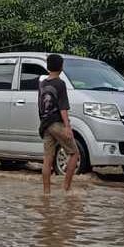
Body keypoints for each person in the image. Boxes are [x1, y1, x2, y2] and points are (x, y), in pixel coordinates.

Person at [39, 54, 79, 194]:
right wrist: (67, 127)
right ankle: (66, 188)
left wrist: (43, 124)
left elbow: (41, 106)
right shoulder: (60, 83)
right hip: (56, 124)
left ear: (48, 67)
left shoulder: (42, 83)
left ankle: (46, 193)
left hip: (45, 125)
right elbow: (63, 108)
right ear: (61, 67)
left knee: (47, 159)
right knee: (74, 153)